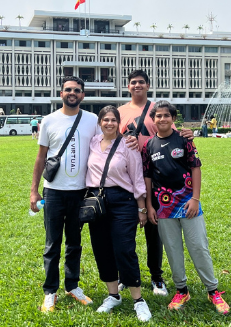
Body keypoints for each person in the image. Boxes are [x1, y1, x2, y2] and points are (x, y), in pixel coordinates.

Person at [30, 76, 140, 313]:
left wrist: (132, 140)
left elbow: (112, 137)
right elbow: (41, 157)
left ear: (83, 95)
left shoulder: (92, 120)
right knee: (52, 244)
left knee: (74, 242)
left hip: (82, 192)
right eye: (68, 89)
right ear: (61, 93)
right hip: (53, 192)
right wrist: (33, 191)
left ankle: (72, 285)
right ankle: (50, 291)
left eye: (77, 90)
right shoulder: (49, 121)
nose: (72, 93)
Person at [141, 101, 230, 314]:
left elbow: (195, 168)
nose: (162, 119)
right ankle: (181, 290)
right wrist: (148, 207)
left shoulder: (184, 139)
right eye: (158, 116)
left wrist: (195, 199)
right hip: (163, 207)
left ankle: (213, 290)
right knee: (172, 250)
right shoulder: (149, 146)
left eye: (166, 115)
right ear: (153, 120)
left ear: (173, 118)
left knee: (198, 246)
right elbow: (147, 178)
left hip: (188, 203)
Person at [119, 69, 194, 297]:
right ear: (128, 86)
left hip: (155, 177)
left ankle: (156, 277)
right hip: (126, 178)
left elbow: (173, 135)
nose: (137, 85)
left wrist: (189, 134)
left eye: (141, 82)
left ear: (148, 85)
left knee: (154, 230)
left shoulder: (158, 110)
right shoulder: (121, 111)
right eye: (133, 82)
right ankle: (126, 276)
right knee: (125, 229)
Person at [86, 106, 152, 322]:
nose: (109, 123)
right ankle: (113, 295)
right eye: (105, 120)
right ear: (100, 122)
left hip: (123, 201)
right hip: (97, 202)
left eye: (113, 120)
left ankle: (138, 300)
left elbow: (137, 178)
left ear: (118, 122)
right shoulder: (93, 143)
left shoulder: (128, 145)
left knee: (125, 249)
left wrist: (141, 208)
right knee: (101, 249)